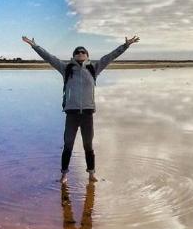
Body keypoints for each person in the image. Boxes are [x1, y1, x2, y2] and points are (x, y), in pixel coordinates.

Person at [21, 34, 140, 177]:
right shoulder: (66, 68)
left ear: (87, 55)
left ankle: (91, 174)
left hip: (87, 114)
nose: (80, 53)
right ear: (74, 56)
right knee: (68, 145)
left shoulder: (94, 68)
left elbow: (110, 57)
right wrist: (34, 45)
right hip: (71, 114)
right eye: (77, 52)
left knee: (88, 146)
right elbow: (49, 57)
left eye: (83, 52)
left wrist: (126, 45)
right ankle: (64, 175)